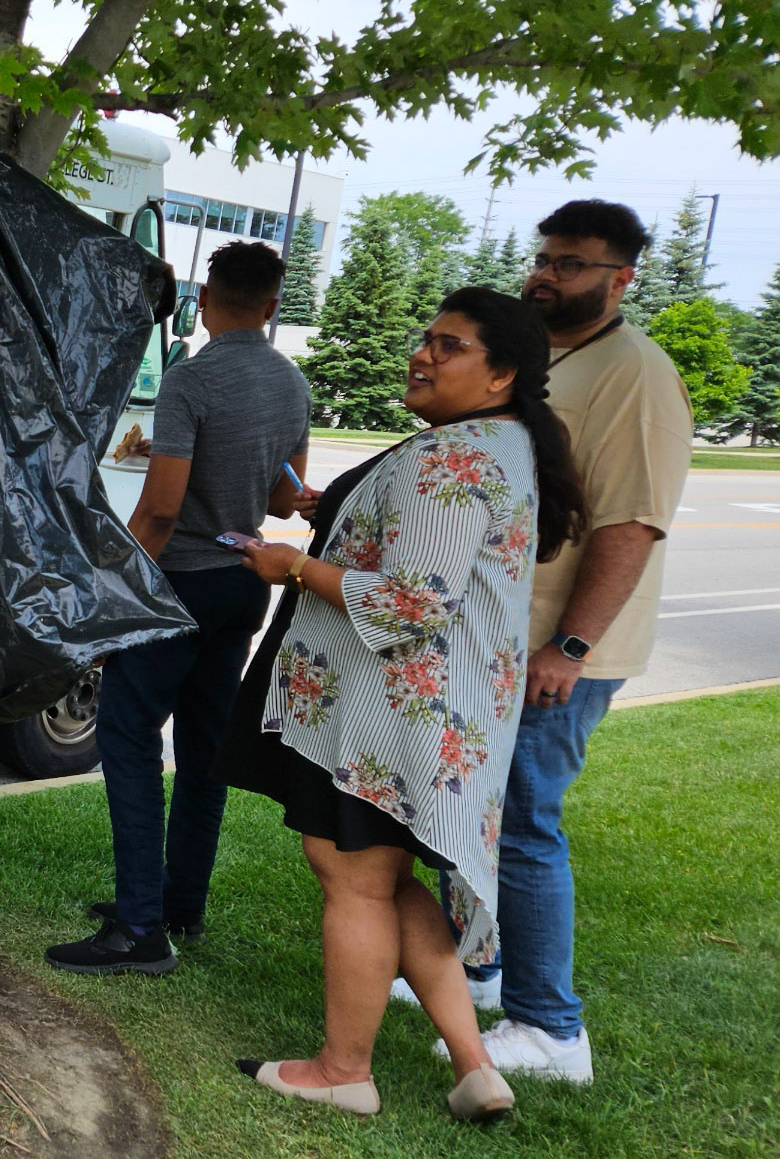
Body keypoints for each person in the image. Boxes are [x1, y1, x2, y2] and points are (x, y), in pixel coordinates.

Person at [223, 287, 588, 1121]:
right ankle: (474, 1065)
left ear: (500, 374)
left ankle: (343, 1069)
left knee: (353, 879)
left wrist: (292, 566)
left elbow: (410, 603)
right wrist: (342, 515)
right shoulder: (503, 442)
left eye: (449, 345)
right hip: (440, 718)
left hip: (387, 720)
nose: (423, 354)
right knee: (386, 877)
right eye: (426, 337)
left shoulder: (452, 454)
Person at [396, 201, 692, 1084]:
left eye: (572, 263)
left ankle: (552, 1028)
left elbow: (633, 524)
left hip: (556, 656)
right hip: (493, 643)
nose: (548, 274)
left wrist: (569, 644)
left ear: (621, 277)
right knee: (472, 816)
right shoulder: (545, 355)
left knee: (524, 823)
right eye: (545, 257)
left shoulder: (636, 375)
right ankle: (479, 968)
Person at [44, 242, 311, 975]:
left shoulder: (191, 379)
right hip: (242, 583)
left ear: (204, 300)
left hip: (181, 583)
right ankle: (179, 903)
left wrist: (114, 587)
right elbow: (282, 498)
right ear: (271, 306)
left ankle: (139, 927)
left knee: (127, 736)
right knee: (203, 750)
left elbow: (160, 510)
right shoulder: (292, 383)